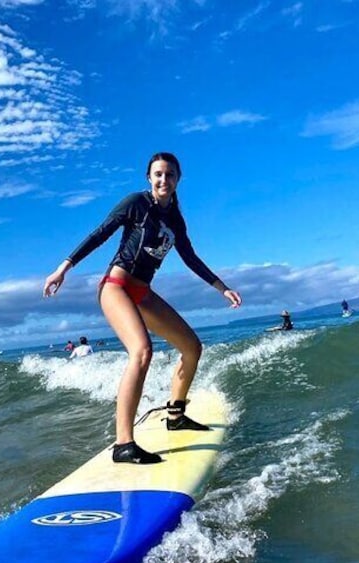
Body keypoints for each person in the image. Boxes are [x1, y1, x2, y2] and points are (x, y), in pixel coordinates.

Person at [43, 152, 242, 465]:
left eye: (170, 175)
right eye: (158, 174)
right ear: (149, 178)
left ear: (178, 180)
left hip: (143, 291)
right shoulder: (136, 203)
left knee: (192, 347)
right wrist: (63, 268)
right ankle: (124, 444)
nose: (164, 180)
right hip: (116, 287)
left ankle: (175, 415)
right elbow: (100, 233)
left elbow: (190, 258)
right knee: (142, 351)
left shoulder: (175, 219)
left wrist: (222, 287)